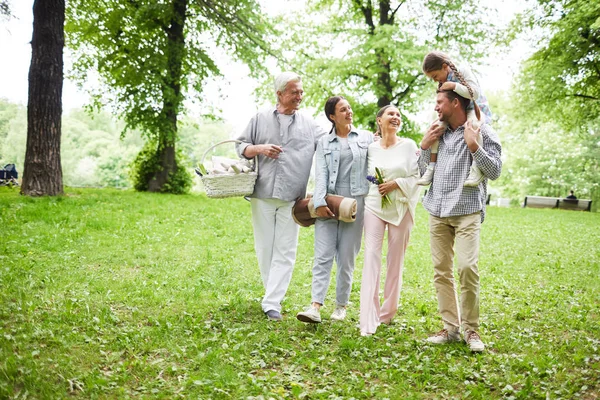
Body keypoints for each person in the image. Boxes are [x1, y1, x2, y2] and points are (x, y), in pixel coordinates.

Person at [236, 72, 326, 322]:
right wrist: (260, 148)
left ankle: (271, 302)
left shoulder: (309, 123)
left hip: (292, 196)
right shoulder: (259, 118)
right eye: (294, 92)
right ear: (279, 94)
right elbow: (241, 146)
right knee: (265, 247)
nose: (300, 96)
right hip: (262, 193)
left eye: (301, 92)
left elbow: (331, 142)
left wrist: (366, 140)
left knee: (286, 250)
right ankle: (271, 297)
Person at [418, 89, 502, 352]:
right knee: (441, 271)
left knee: (467, 268)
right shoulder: (437, 132)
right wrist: (423, 145)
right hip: (437, 211)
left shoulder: (481, 130)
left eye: (439, 102)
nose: (436, 107)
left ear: (455, 103)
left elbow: (495, 171)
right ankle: (451, 328)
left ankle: (472, 330)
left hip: (467, 210)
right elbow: (422, 171)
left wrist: (474, 146)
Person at [296, 96, 373, 324]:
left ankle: (341, 306)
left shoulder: (366, 138)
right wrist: (319, 202)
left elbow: (376, 166)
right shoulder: (324, 143)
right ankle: (315, 307)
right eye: (343, 109)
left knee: (347, 257)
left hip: (355, 202)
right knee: (322, 255)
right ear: (332, 116)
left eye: (349, 107)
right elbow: (321, 174)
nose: (348, 112)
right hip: (328, 201)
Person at [359, 105, 421, 336]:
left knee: (395, 260)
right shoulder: (370, 148)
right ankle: (368, 317)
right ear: (379, 120)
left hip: (401, 208)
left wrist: (396, 184)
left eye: (398, 115)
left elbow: (418, 177)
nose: (396, 117)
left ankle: (387, 312)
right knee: (371, 256)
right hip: (374, 205)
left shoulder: (409, 146)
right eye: (391, 114)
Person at [418, 51, 493, 188]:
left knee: (473, 127)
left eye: (435, 76)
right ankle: (431, 168)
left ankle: (476, 169)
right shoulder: (443, 81)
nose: (435, 80)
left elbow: (474, 93)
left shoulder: (462, 70)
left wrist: (454, 86)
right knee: (436, 129)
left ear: (444, 66)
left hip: (473, 108)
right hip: (457, 110)